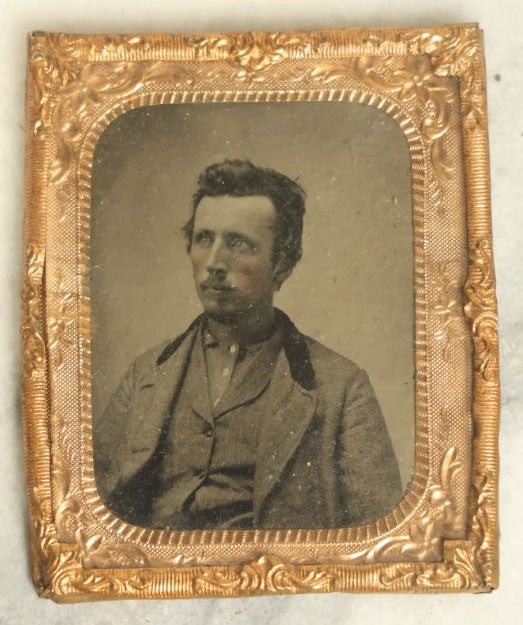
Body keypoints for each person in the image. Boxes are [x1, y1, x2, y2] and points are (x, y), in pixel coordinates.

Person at [94, 159, 402, 531]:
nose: (214, 263)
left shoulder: (342, 388)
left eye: (238, 244)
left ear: (282, 263)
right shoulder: (145, 375)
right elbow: (91, 516)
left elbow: (380, 536)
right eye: (204, 238)